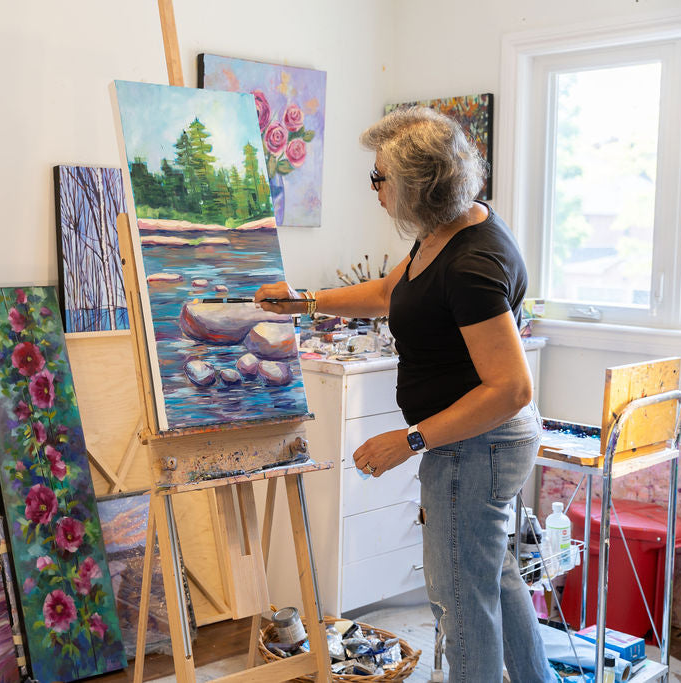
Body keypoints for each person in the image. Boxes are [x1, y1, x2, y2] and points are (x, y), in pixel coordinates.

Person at [256, 106, 555, 682]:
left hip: (477, 447)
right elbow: (388, 292)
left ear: (419, 186)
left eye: (380, 178)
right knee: (493, 580)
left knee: (461, 604)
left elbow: (512, 388)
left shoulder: (471, 264)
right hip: (480, 445)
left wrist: (409, 439)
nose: (374, 191)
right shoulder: (448, 228)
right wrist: (304, 302)